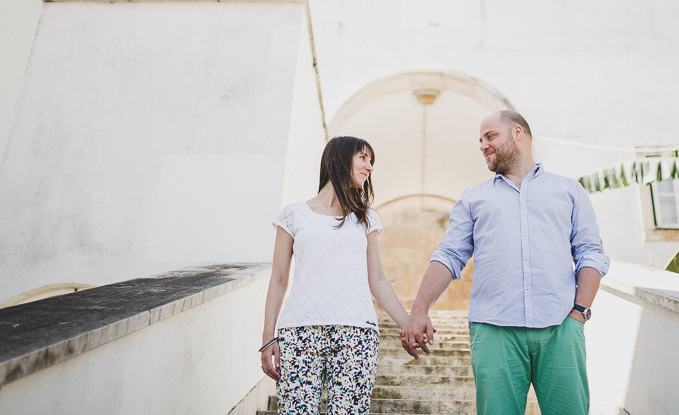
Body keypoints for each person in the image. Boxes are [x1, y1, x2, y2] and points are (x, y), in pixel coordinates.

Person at [400, 110, 610, 415]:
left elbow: (590, 251)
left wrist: (579, 312)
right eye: (480, 140)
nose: (483, 145)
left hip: (561, 326)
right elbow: (449, 255)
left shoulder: (569, 190)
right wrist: (419, 309)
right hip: (494, 330)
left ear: (517, 133)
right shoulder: (473, 199)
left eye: (490, 136)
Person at [261, 136, 409, 414]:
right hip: (299, 332)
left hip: (357, 332)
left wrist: (408, 323)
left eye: (371, 161)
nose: (370, 167)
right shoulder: (293, 215)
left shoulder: (365, 218)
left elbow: (376, 279)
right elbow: (279, 279)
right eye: (363, 158)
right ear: (340, 158)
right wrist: (268, 337)